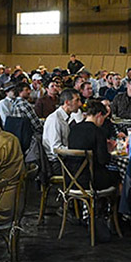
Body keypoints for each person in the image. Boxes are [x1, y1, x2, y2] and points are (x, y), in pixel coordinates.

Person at [67, 100, 120, 241]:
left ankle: (92, 214)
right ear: (98, 115)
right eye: (103, 117)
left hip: (71, 179)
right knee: (118, 177)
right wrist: (108, 150)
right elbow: (103, 160)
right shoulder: (98, 132)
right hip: (91, 181)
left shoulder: (74, 128)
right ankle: (112, 217)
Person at [42, 88, 84, 168]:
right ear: (67, 102)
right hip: (57, 163)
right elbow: (56, 149)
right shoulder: (55, 119)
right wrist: (76, 151)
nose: (80, 104)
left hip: (64, 159)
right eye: (77, 100)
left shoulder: (68, 117)